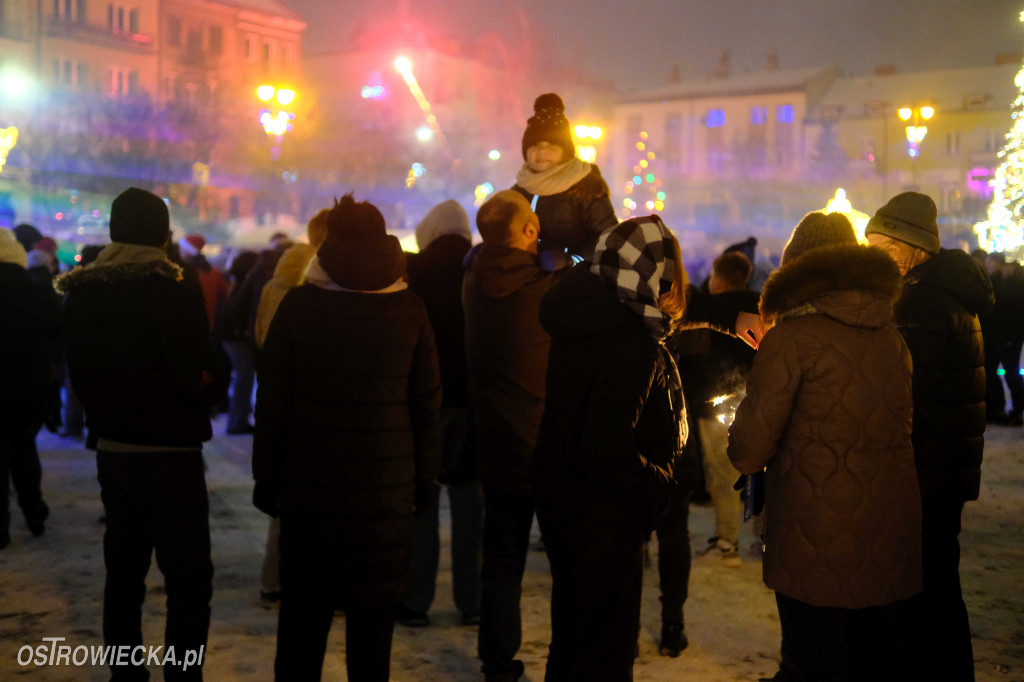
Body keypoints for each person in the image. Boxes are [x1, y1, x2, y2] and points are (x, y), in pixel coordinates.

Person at [532, 215, 757, 680]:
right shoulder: (630, 339)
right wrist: (668, 486)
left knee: (571, 633)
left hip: (562, 497)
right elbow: (608, 446)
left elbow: (672, 308)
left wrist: (731, 317)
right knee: (605, 651)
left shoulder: (591, 305)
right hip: (606, 516)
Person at [252, 194, 441, 681]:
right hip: (384, 492)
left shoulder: (299, 305)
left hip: (309, 487)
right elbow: (426, 405)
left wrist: (266, 477)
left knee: (302, 629)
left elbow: (272, 400)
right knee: (372, 637)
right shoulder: (409, 309)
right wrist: (423, 482)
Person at [728, 211, 922, 681]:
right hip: (887, 531)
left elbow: (749, 450)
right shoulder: (892, 337)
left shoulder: (790, 340)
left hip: (813, 536)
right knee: (873, 664)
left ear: (794, 268)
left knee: (814, 663)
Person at [56, 187, 218, 681]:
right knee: (188, 580)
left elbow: (78, 374)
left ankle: (126, 675)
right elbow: (198, 369)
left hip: (114, 448)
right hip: (172, 452)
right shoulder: (175, 292)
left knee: (124, 577)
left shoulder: (82, 295)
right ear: (161, 235)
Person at [865, 192, 994, 682]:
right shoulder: (947, 294)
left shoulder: (920, 303)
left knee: (919, 599)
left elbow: (898, 393)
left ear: (913, 247)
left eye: (884, 246)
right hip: (943, 469)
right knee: (938, 590)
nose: (875, 255)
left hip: (922, 472)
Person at [463, 190, 570, 682]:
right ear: (529, 230)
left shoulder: (472, 278)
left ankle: (497, 662)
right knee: (568, 562)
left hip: (497, 445)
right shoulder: (544, 287)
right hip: (548, 445)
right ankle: (569, 660)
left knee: (503, 560)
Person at [399, 199, 483, 628]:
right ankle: (473, 600)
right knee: (470, 504)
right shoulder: (483, 270)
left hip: (423, 402)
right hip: (473, 403)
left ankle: (416, 600)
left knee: (422, 503)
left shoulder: (412, 273)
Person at [251, 208, 329, 604]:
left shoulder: (275, 282)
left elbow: (260, 336)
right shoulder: (316, 285)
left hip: (278, 394)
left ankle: (273, 580)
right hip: (311, 399)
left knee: (285, 498)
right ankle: (309, 583)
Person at [693, 251, 760, 566]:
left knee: (723, 475)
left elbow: (696, 356)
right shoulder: (763, 307)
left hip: (718, 404)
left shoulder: (709, 310)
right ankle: (764, 542)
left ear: (717, 280)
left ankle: (726, 544)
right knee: (761, 473)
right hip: (757, 404)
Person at [0, 228, 58, 549]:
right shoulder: (37, 292)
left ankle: (1, 527)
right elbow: (55, 338)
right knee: (24, 451)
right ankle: (34, 512)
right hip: (29, 388)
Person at [512, 93, 617, 260]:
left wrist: (572, 260)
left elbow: (609, 238)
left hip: (576, 275)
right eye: (535, 145)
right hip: (530, 273)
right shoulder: (519, 192)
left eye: (552, 145)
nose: (542, 151)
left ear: (565, 151)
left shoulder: (586, 188)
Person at [982, 251, 1024, 426]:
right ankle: (1000, 409)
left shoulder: (1011, 281)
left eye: (989, 263)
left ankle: (1017, 411)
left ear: (999, 263)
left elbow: (1010, 308)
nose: (987, 266)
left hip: (1009, 335)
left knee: (1011, 373)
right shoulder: (998, 280)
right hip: (999, 335)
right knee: (993, 372)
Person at [178, 234, 229, 335]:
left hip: (187, 327)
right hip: (209, 325)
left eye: (181, 248)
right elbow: (223, 296)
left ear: (188, 250)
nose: (179, 250)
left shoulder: (183, 273)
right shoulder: (215, 272)